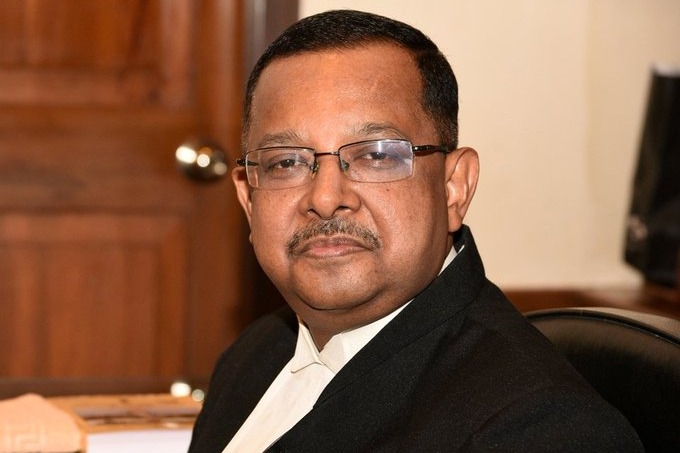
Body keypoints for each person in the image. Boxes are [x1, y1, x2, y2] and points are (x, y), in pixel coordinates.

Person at [189, 9, 643, 452]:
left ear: (453, 188)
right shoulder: (255, 353)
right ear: (249, 200)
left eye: (377, 155)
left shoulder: (539, 429)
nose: (325, 198)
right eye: (286, 162)